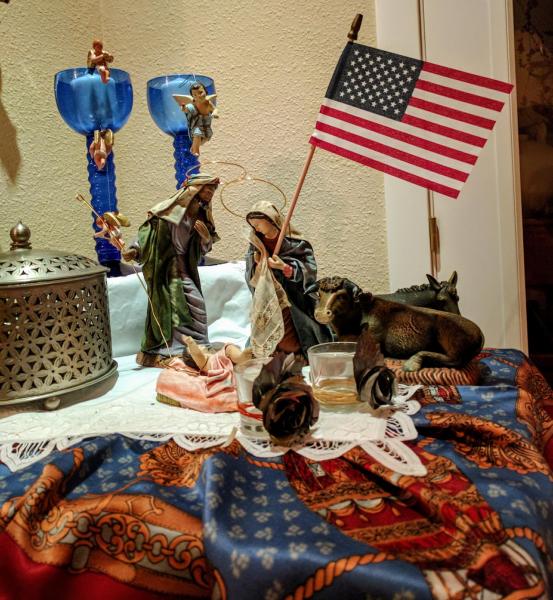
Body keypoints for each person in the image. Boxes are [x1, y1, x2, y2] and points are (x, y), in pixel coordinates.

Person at [123, 173, 220, 367]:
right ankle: (172, 349)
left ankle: (198, 344)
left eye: (213, 189)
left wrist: (205, 237)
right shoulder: (165, 214)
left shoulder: (201, 216)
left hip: (185, 266)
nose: (211, 192)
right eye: (208, 188)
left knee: (196, 304)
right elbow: (148, 234)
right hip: (166, 268)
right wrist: (135, 250)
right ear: (195, 189)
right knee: (175, 306)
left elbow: (203, 248)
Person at [245, 201, 332, 358]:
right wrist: (260, 266)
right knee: (268, 338)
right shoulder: (256, 244)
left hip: (293, 299)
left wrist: (284, 267)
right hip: (268, 296)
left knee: (292, 342)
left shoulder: (296, 243)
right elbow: (250, 274)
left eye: (258, 224)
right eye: (253, 226)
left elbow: (309, 270)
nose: (256, 228)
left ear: (270, 220)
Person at [174, 82, 218, 156]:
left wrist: (215, 113)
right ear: (192, 96)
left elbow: (215, 109)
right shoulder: (192, 104)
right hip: (196, 123)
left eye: (200, 92)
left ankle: (194, 147)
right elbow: (186, 109)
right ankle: (196, 150)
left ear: (206, 92)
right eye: (195, 95)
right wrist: (183, 107)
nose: (198, 96)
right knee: (197, 133)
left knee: (205, 138)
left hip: (206, 124)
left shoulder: (208, 103)